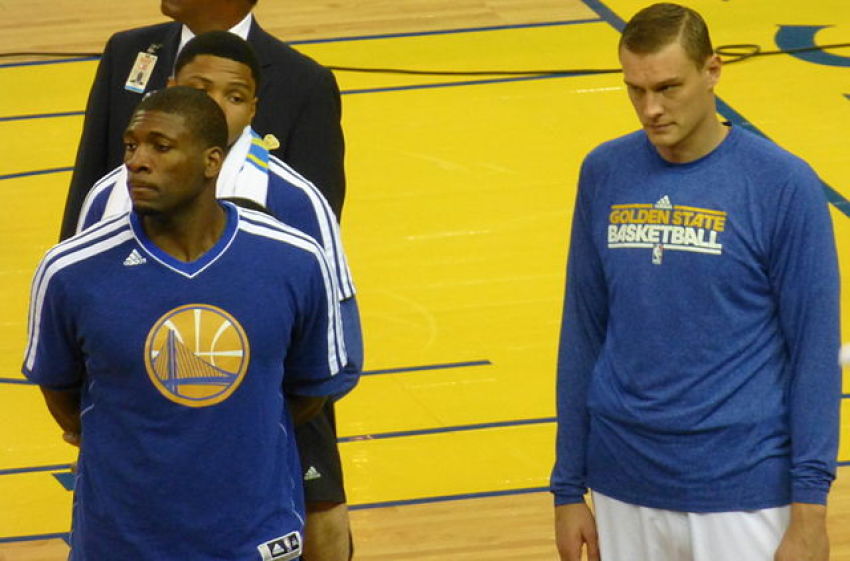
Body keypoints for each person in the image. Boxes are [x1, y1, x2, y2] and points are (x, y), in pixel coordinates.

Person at [551, 4, 841, 561]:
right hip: (622, 485)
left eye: (667, 87)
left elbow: (813, 354)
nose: (651, 109)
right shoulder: (604, 172)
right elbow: (582, 330)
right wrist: (567, 488)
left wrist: (809, 511)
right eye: (635, 90)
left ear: (713, 70)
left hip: (743, 494)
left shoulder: (784, 185)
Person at [23, 86, 351, 561]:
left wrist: (232, 423)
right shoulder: (71, 270)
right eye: (131, 145)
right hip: (120, 543)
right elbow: (61, 394)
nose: (137, 161)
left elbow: (309, 390)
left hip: (253, 538)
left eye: (160, 146)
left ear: (211, 160)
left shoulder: (293, 260)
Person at [60, 0, 346, 241]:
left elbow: (316, 219)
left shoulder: (305, 83)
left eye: (235, 96)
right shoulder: (128, 51)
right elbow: (90, 174)